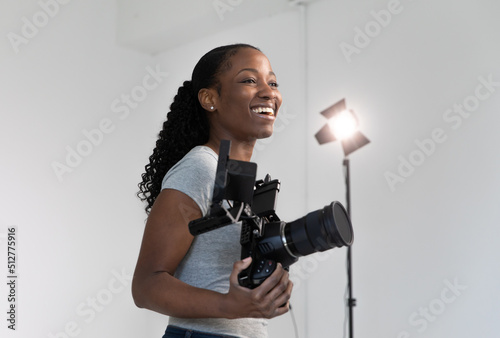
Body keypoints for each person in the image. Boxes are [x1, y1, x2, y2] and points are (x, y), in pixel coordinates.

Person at [132, 43, 293, 338]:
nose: (269, 92)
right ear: (210, 99)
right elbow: (146, 285)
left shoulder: (237, 179)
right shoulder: (200, 169)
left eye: (272, 82)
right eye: (249, 80)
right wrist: (228, 305)